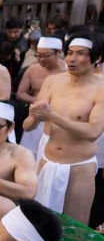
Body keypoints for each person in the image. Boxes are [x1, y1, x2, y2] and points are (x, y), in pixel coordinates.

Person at [30, 33, 104, 224]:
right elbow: (28, 125)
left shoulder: (101, 88)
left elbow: (93, 132)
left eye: (80, 53)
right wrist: (34, 116)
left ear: (97, 58)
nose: (72, 58)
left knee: (75, 227)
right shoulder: (53, 81)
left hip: (79, 166)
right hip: (47, 160)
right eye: (70, 52)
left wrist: (53, 116)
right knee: (38, 223)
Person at [17, 36, 66, 159]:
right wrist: (38, 101)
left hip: (58, 119)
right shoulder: (33, 69)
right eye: (38, 55)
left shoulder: (68, 71)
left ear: (58, 52)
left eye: (46, 55)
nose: (41, 59)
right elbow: (21, 92)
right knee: (29, 155)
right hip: (35, 116)